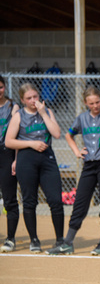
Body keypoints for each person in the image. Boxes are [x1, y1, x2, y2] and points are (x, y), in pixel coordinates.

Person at [45, 86, 100, 255]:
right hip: (89, 164)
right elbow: (69, 135)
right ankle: (67, 242)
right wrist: (76, 151)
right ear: (85, 103)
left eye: (97, 102)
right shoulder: (82, 118)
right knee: (80, 202)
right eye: (91, 103)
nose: (95, 105)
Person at [4, 83, 64, 252]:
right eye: (29, 98)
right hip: (26, 158)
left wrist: (44, 113)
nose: (33, 101)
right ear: (22, 100)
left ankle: (60, 239)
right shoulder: (19, 115)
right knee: (29, 201)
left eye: (35, 97)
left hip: (47, 158)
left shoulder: (47, 111)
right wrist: (31, 143)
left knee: (55, 200)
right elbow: (9, 141)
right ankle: (34, 240)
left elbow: (57, 133)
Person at [0, 76, 20, 252]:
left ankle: (10, 238)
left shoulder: (12, 107)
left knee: (9, 198)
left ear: (4, 87)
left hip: (6, 153)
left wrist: (15, 158)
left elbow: (16, 134)